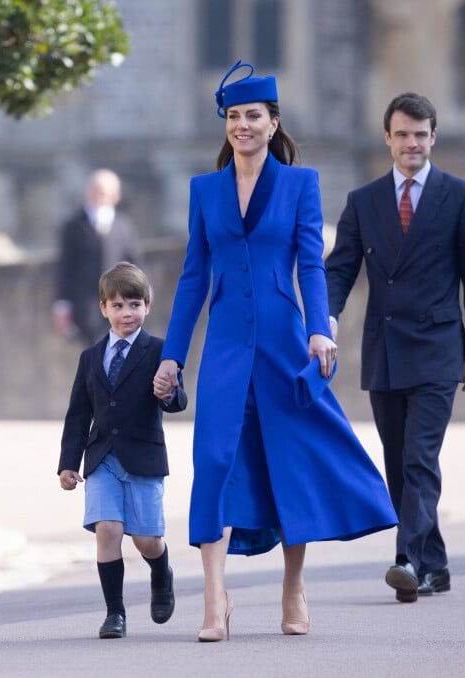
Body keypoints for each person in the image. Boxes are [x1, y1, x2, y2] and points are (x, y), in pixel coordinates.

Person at [153, 61, 397, 642]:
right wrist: (173, 355)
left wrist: (320, 328)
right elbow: (192, 279)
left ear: (273, 121)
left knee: (288, 464)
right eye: (233, 117)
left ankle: (293, 586)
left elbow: (311, 262)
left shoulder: (300, 183)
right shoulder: (203, 189)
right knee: (213, 462)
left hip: (288, 343)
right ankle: (215, 599)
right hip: (227, 348)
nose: (242, 125)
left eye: (253, 116)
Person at [325, 92, 465, 603]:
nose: (411, 143)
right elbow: (340, 268)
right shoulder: (364, 200)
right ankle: (434, 565)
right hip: (385, 349)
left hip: (439, 349)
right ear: (388, 138)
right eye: (402, 134)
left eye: (420, 134)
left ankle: (406, 560)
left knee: (420, 458)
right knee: (398, 463)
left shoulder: (460, 196)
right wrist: (325, 317)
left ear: (433, 138)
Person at [58, 261, 187, 639]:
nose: (126, 313)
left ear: (147, 305)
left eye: (134, 304)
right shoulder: (90, 357)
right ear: (103, 309)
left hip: (144, 458)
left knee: (146, 539)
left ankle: (161, 571)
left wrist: (170, 391)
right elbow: (78, 414)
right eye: (117, 305)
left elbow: (177, 401)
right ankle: (115, 613)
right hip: (102, 459)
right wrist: (68, 463)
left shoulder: (161, 350)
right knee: (108, 529)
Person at [53, 168, 143, 345]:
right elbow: (66, 268)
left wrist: (145, 293)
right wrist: (62, 306)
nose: (99, 196)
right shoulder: (73, 226)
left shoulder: (123, 225)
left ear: (115, 196)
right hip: (87, 306)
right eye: (95, 190)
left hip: (120, 302)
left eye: (104, 192)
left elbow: (135, 262)